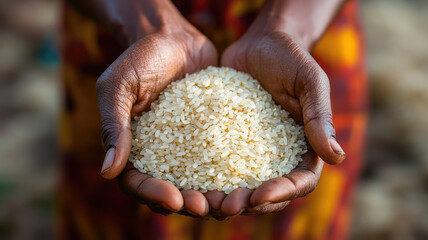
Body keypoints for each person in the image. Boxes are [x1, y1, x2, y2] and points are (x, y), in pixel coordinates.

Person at [60, 0, 367, 239]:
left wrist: (287, 26)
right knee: (118, 211)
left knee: (295, 221)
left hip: (306, 24)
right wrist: (150, 23)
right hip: (124, 32)